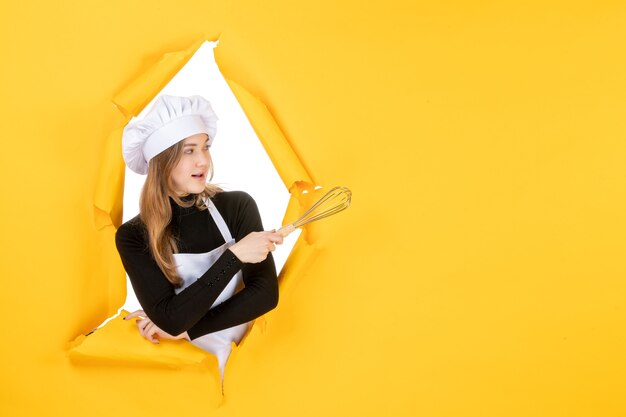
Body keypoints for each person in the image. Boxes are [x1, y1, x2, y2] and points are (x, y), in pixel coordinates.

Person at [115, 94, 283, 374]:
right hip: (183, 368)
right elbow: (170, 319)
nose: (203, 161)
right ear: (162, 161)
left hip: (247, 359)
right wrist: (235, 256)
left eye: (205, 147)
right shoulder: (134, 235)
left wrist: (189, 329)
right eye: (189, 151)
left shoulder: (237, 206)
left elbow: (265, 295)